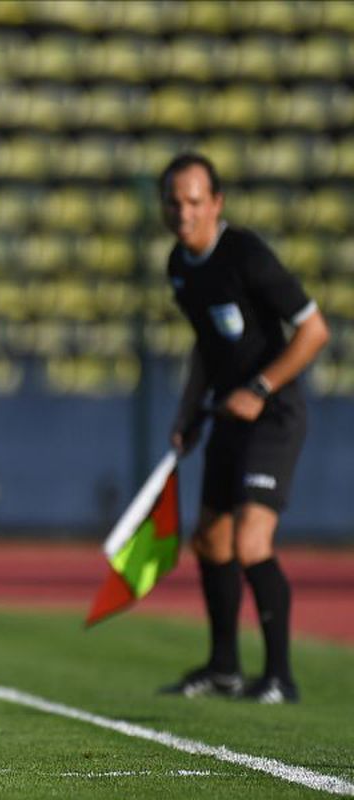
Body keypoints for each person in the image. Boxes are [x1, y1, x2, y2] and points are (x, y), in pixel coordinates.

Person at [159, 152, 329, 704]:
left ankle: (280, 676)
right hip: (226, 413)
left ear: (216, 204)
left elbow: (314, 331)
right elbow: (206, 348)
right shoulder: (180, 266)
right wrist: (188, 412)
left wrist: (259, 390)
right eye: (174, 202)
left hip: (272, 414)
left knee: (252, 541)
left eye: (194, 201)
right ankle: (224, 667)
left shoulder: (247, 255)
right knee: (210, 541)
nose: (183, 213)